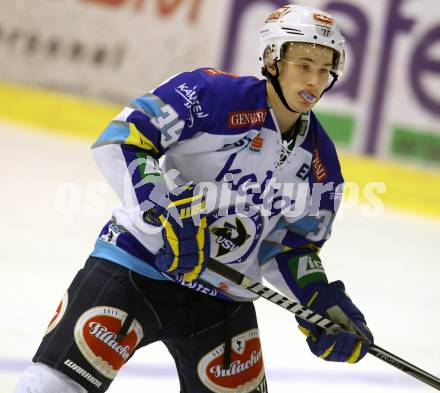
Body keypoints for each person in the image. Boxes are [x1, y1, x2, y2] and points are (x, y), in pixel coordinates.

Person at [15, 4, 374, 393]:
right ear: (273, 59)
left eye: (325, 69)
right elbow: (123, 137)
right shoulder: (210, 94)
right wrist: (163, 213)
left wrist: (321, 304)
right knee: (52, 386)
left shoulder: (323, 162)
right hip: (138, 264)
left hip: (223, 301)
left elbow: (291, 248)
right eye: (304, 64)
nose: (315, 80)